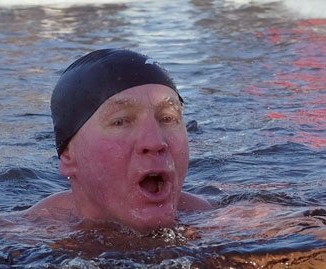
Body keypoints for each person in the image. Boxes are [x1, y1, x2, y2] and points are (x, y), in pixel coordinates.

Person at [25, 49, 212, 231]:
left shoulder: (215, 223)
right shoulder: (24, 236)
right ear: (68, 155)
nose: (155, 143)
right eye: (120, 122)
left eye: (167, 118)